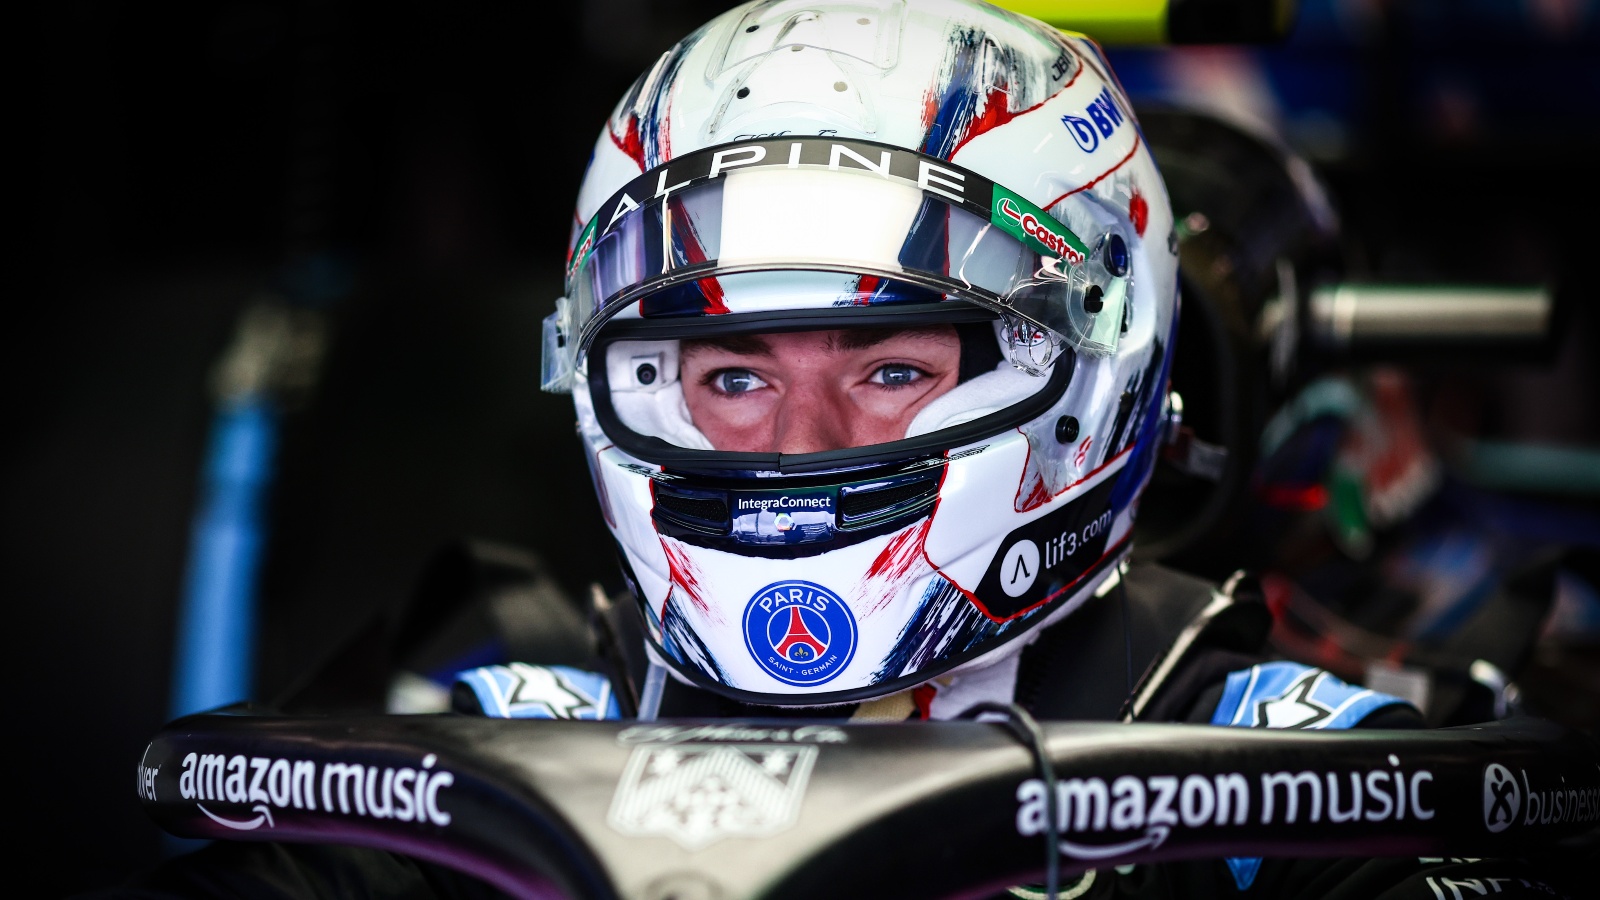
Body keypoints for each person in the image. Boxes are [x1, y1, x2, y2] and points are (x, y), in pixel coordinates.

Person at [107, 2, 1571, 897]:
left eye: (890, 367)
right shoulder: (516, 719)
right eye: (729, 374)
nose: (800, 439)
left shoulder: (1276, 770)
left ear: (1092, 376)